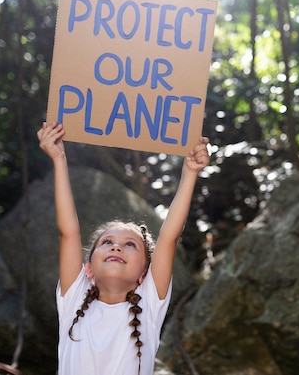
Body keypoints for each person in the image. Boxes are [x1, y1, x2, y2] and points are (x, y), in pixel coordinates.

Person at [37, 121, 210, 375]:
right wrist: (59, 159)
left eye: (130, 245)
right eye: (107, 242)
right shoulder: (74, 298)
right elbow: (69, 231)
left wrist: (190, 173)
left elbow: (168, 237)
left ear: (144, 274)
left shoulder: (149, 303)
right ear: (88, 269)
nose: (116, 248)